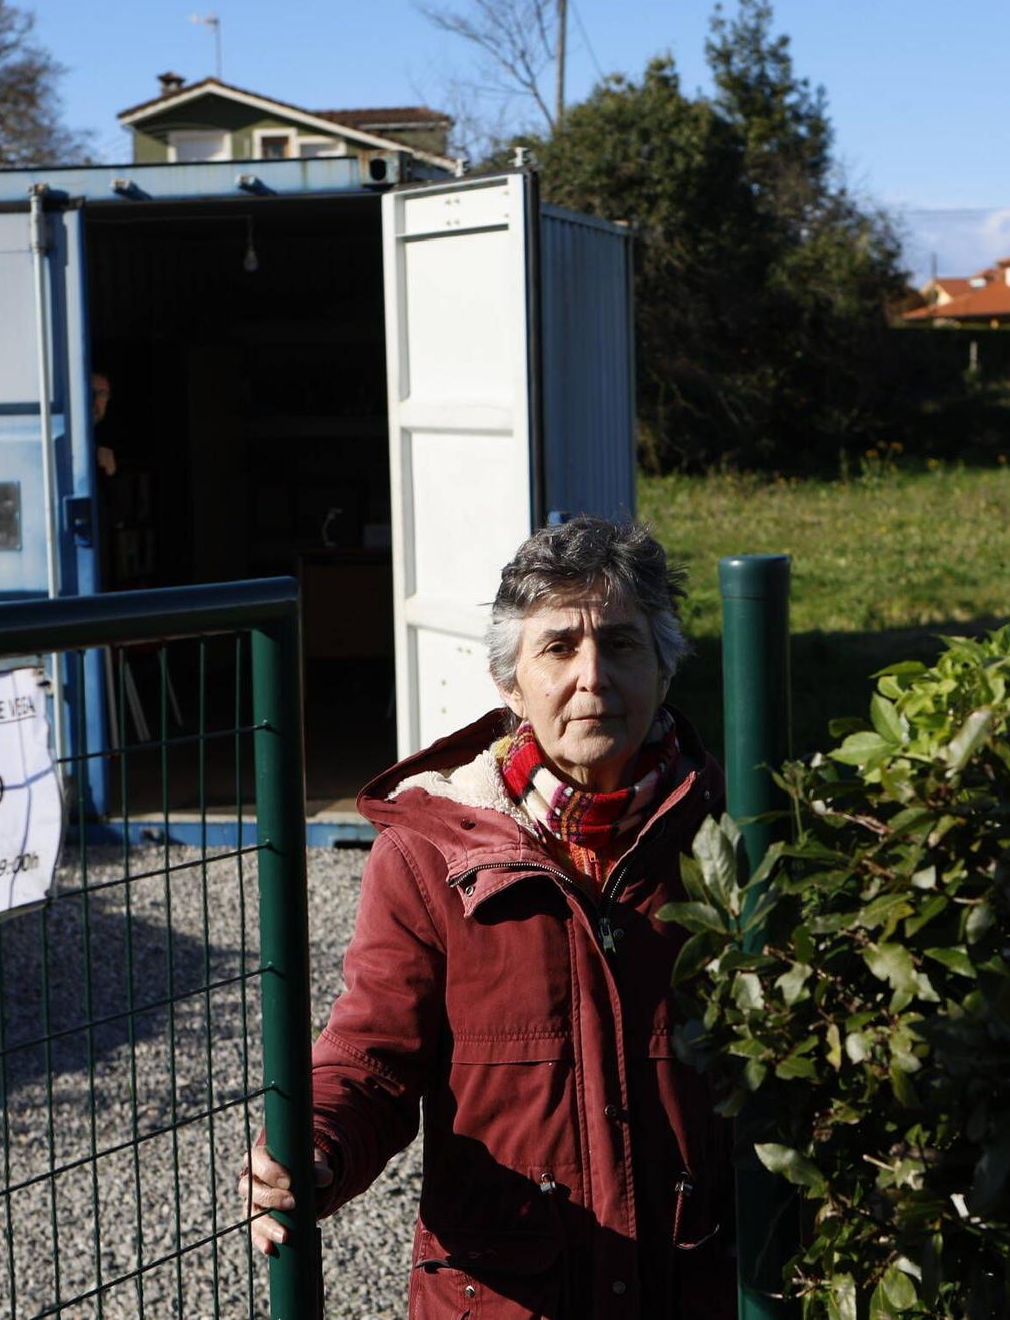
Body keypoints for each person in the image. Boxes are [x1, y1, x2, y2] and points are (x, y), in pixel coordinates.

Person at [240, 516, 733, 1319]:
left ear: (665, 666)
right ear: (511, 683)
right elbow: (373, 1055)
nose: (593, 675)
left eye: (623, 643)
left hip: (696, 1291)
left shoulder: (731, 828)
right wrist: (314, 1147)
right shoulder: (428, 853)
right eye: (559, 647)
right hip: (505, 1300)